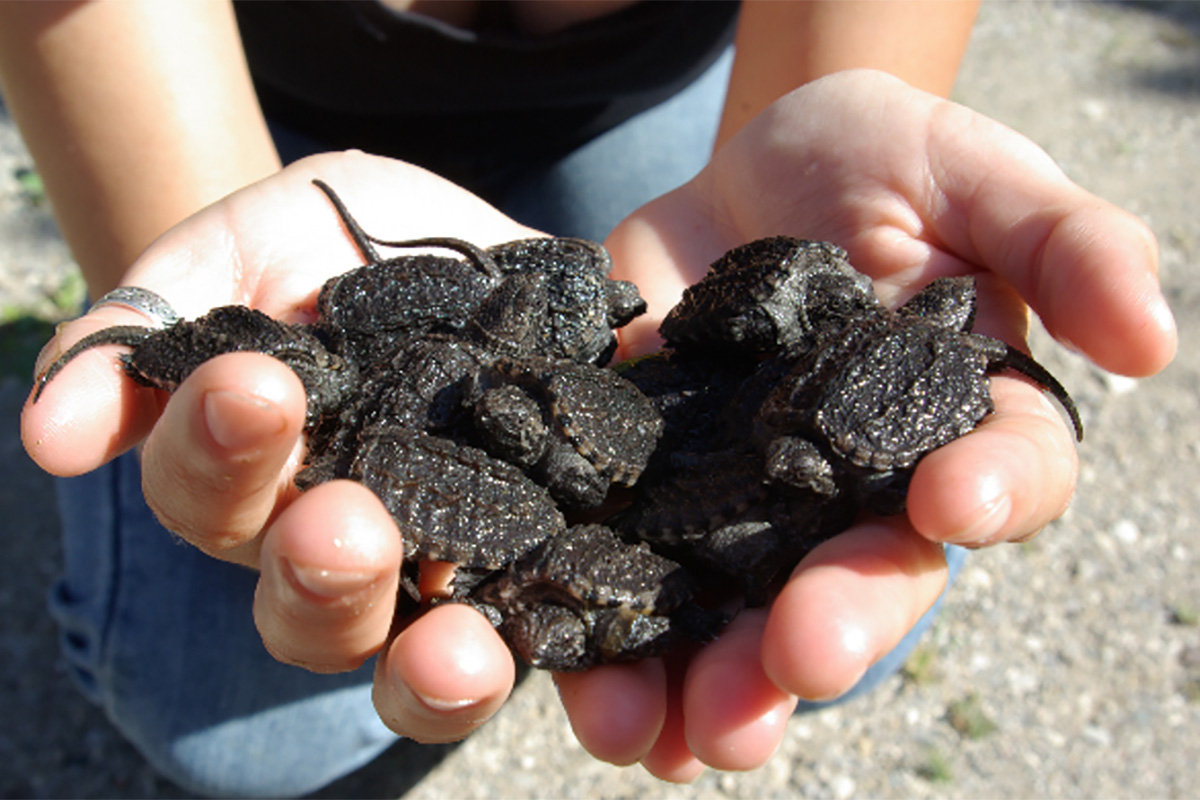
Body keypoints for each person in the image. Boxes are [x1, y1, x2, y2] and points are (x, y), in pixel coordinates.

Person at [1, 1, 1177, 797]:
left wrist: (837, 186)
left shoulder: (753, 377)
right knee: (241, 713)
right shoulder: (488, 367)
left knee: (830, 601)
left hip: (642, 99)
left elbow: (727, 331)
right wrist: (212, 335)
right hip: (276, 119)